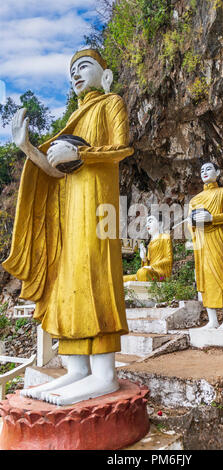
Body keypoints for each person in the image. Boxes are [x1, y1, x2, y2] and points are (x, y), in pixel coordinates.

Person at [2, 48, 134, 406]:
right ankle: (76, 370)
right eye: (71, 70)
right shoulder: (75, 116)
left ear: (104, 75)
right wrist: (28, 147)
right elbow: (53, 169)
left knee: (95, 276)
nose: (76, 74)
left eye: (84, 67)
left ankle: (104, 375)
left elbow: (122, 149)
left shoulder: (110, 103)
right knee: (68, 282)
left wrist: (83, 154)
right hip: (69, 211)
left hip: (96, 206)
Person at [188, 162, 223, 329]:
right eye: (201, 170)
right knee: (206, 276)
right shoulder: (195, 199)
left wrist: (211, 218)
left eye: (208, 168)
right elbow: (190, 222)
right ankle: (213, 320)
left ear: (217, 172)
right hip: (202, 240)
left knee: (222, 274)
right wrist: (193, 223)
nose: (204, 172)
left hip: (218, 237)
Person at [123, 215, 173, 283]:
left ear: (160, 223)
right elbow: (147, 265)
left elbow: (168, 259)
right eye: (147, 223)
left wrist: (152, 267)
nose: (147, 225)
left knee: (143, 272)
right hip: (150, 272)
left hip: (160, 274)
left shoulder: (165, 237)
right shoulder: (150, 243)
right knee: (123, 279)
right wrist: (144, 258)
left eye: (150, 221)